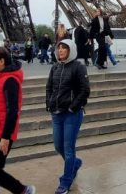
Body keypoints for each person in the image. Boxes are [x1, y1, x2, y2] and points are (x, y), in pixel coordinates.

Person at [0, 47, 35, 194]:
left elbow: (13, 111)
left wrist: (5, 137)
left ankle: (23, 190)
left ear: (1, 61)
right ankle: (23, 190)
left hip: (0, 134)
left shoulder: (10, 81)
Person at [46, 39, 91, 194]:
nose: (60, 50)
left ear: (71, 50)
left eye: (64, 48)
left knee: (68, 148)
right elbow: (49, 87)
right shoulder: (55, 67)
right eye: (59, 48)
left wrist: (73, 107)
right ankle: (75, 163)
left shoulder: (78, 67)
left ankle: (65, 182)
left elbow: (85, 90)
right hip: (56, 113)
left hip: (72, 114)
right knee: (58, 146)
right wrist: (49, 103)